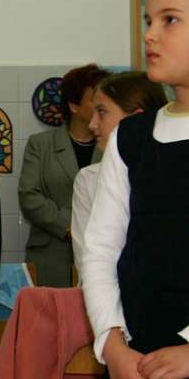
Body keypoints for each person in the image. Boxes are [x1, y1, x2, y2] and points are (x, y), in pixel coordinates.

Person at [81, 0, 189, 379]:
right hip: (142, 367)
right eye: (149, 19)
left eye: (170, 20)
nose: (150, 34)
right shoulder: (132, 137)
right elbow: (100, 249)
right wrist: (112, 343)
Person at [18, 63, 110, 287]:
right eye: (94, 99)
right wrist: (71, 226)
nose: (102, 104)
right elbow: (29, 197)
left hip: (103, 254)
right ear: (74, 105)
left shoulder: (113, 145)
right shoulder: (40, 144)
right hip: (51, 256)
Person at [71, 71, 167, 275]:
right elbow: (88, 259)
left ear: (136, 118)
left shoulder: (173, 171)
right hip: (109, 292)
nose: (92, 124)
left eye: (102, 112)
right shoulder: (88, 179)